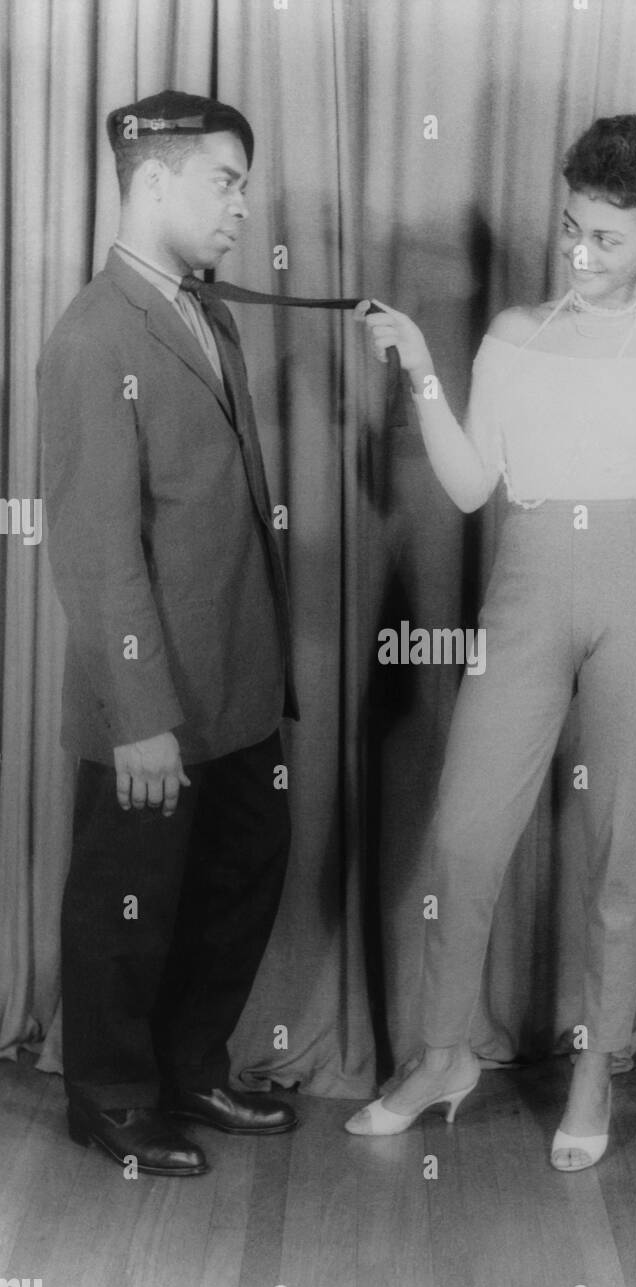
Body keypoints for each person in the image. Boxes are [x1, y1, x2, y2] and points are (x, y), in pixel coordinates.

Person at [346, 114, 636, 1170]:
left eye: (608, 238)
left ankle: (597, 1071)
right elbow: (469, 486)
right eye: (571, 228)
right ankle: (442, 1056)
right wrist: (420, 364)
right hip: (526, 588)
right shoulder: (514, 334)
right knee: (463, 838)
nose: (581, 254)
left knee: (621, 849)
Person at [38, 91, 299, 1177]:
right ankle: (109, 1098)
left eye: (244, 184)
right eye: (225, 182)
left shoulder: (207, 308)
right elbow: (97, 551)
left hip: (236, 680)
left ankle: (192, 1066)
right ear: (153, 181)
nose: (243, 207)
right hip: (152, 698)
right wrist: (141, 719)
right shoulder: (95, 338)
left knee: (242, 877)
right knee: (127, 905)